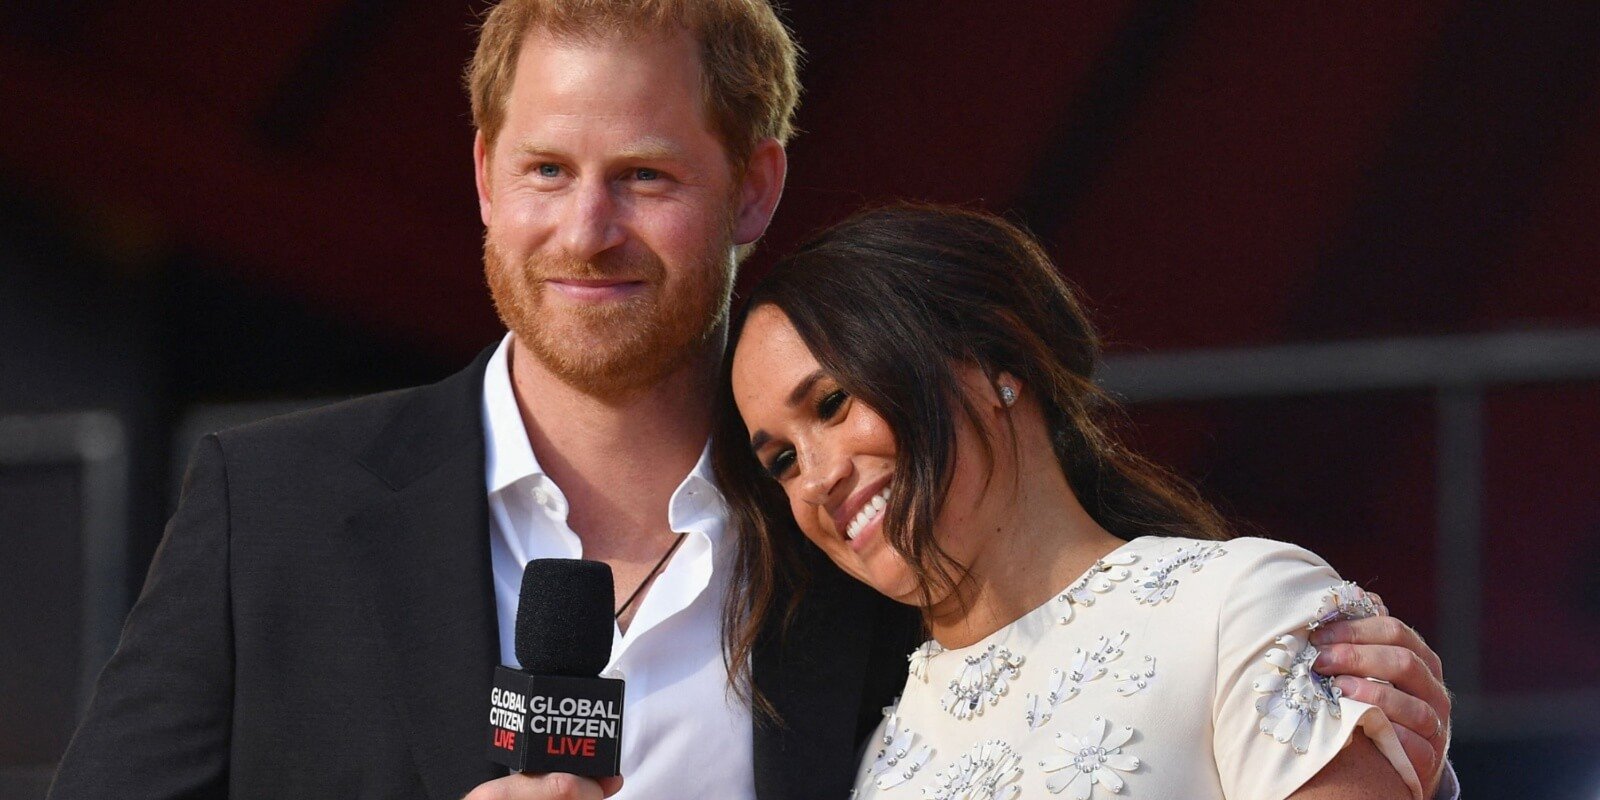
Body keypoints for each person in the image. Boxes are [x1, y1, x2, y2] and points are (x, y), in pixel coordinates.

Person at [48, 2, 1454, 799]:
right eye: (546, 170)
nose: (586, 230)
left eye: (646, 177)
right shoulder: (271, 507)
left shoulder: (873, 554)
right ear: (484, 176)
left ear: (756, 187)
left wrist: (1350, 726)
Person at [717, 203, 1451, 799]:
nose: (813, 479)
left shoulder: (1243, 609)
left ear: (996, 361)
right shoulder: (875, 757)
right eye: (780, 460)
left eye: (834, 403)